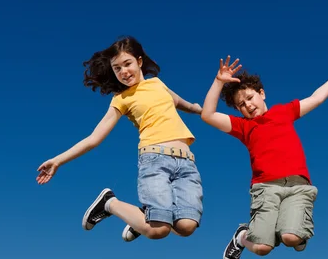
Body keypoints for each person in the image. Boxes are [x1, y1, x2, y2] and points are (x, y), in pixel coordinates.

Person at [37, 36, 204, 242]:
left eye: (127, 64)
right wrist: (58, 160)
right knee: (158, 230)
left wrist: (200, 110)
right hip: (155, 161)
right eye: (117, 69)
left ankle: (140, 218)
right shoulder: (121, 99)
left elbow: (181, 103)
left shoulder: (157, 84)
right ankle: (110, 203)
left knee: (186, 226)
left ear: (139, 62)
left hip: (187, 162)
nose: (124, 72)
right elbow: (94, 138)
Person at [200, 56, 328, 259]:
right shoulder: (243, 127)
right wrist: (219, 81)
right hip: (265, 189)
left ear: (262, 94)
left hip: (298, 186)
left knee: (290, 238)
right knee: (262, 248)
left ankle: (296, 231)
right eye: (241, 105)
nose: (248, 105)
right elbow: (207, 114)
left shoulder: (284, 112)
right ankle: (242, 236)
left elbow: (315, 98)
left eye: (250, 98)